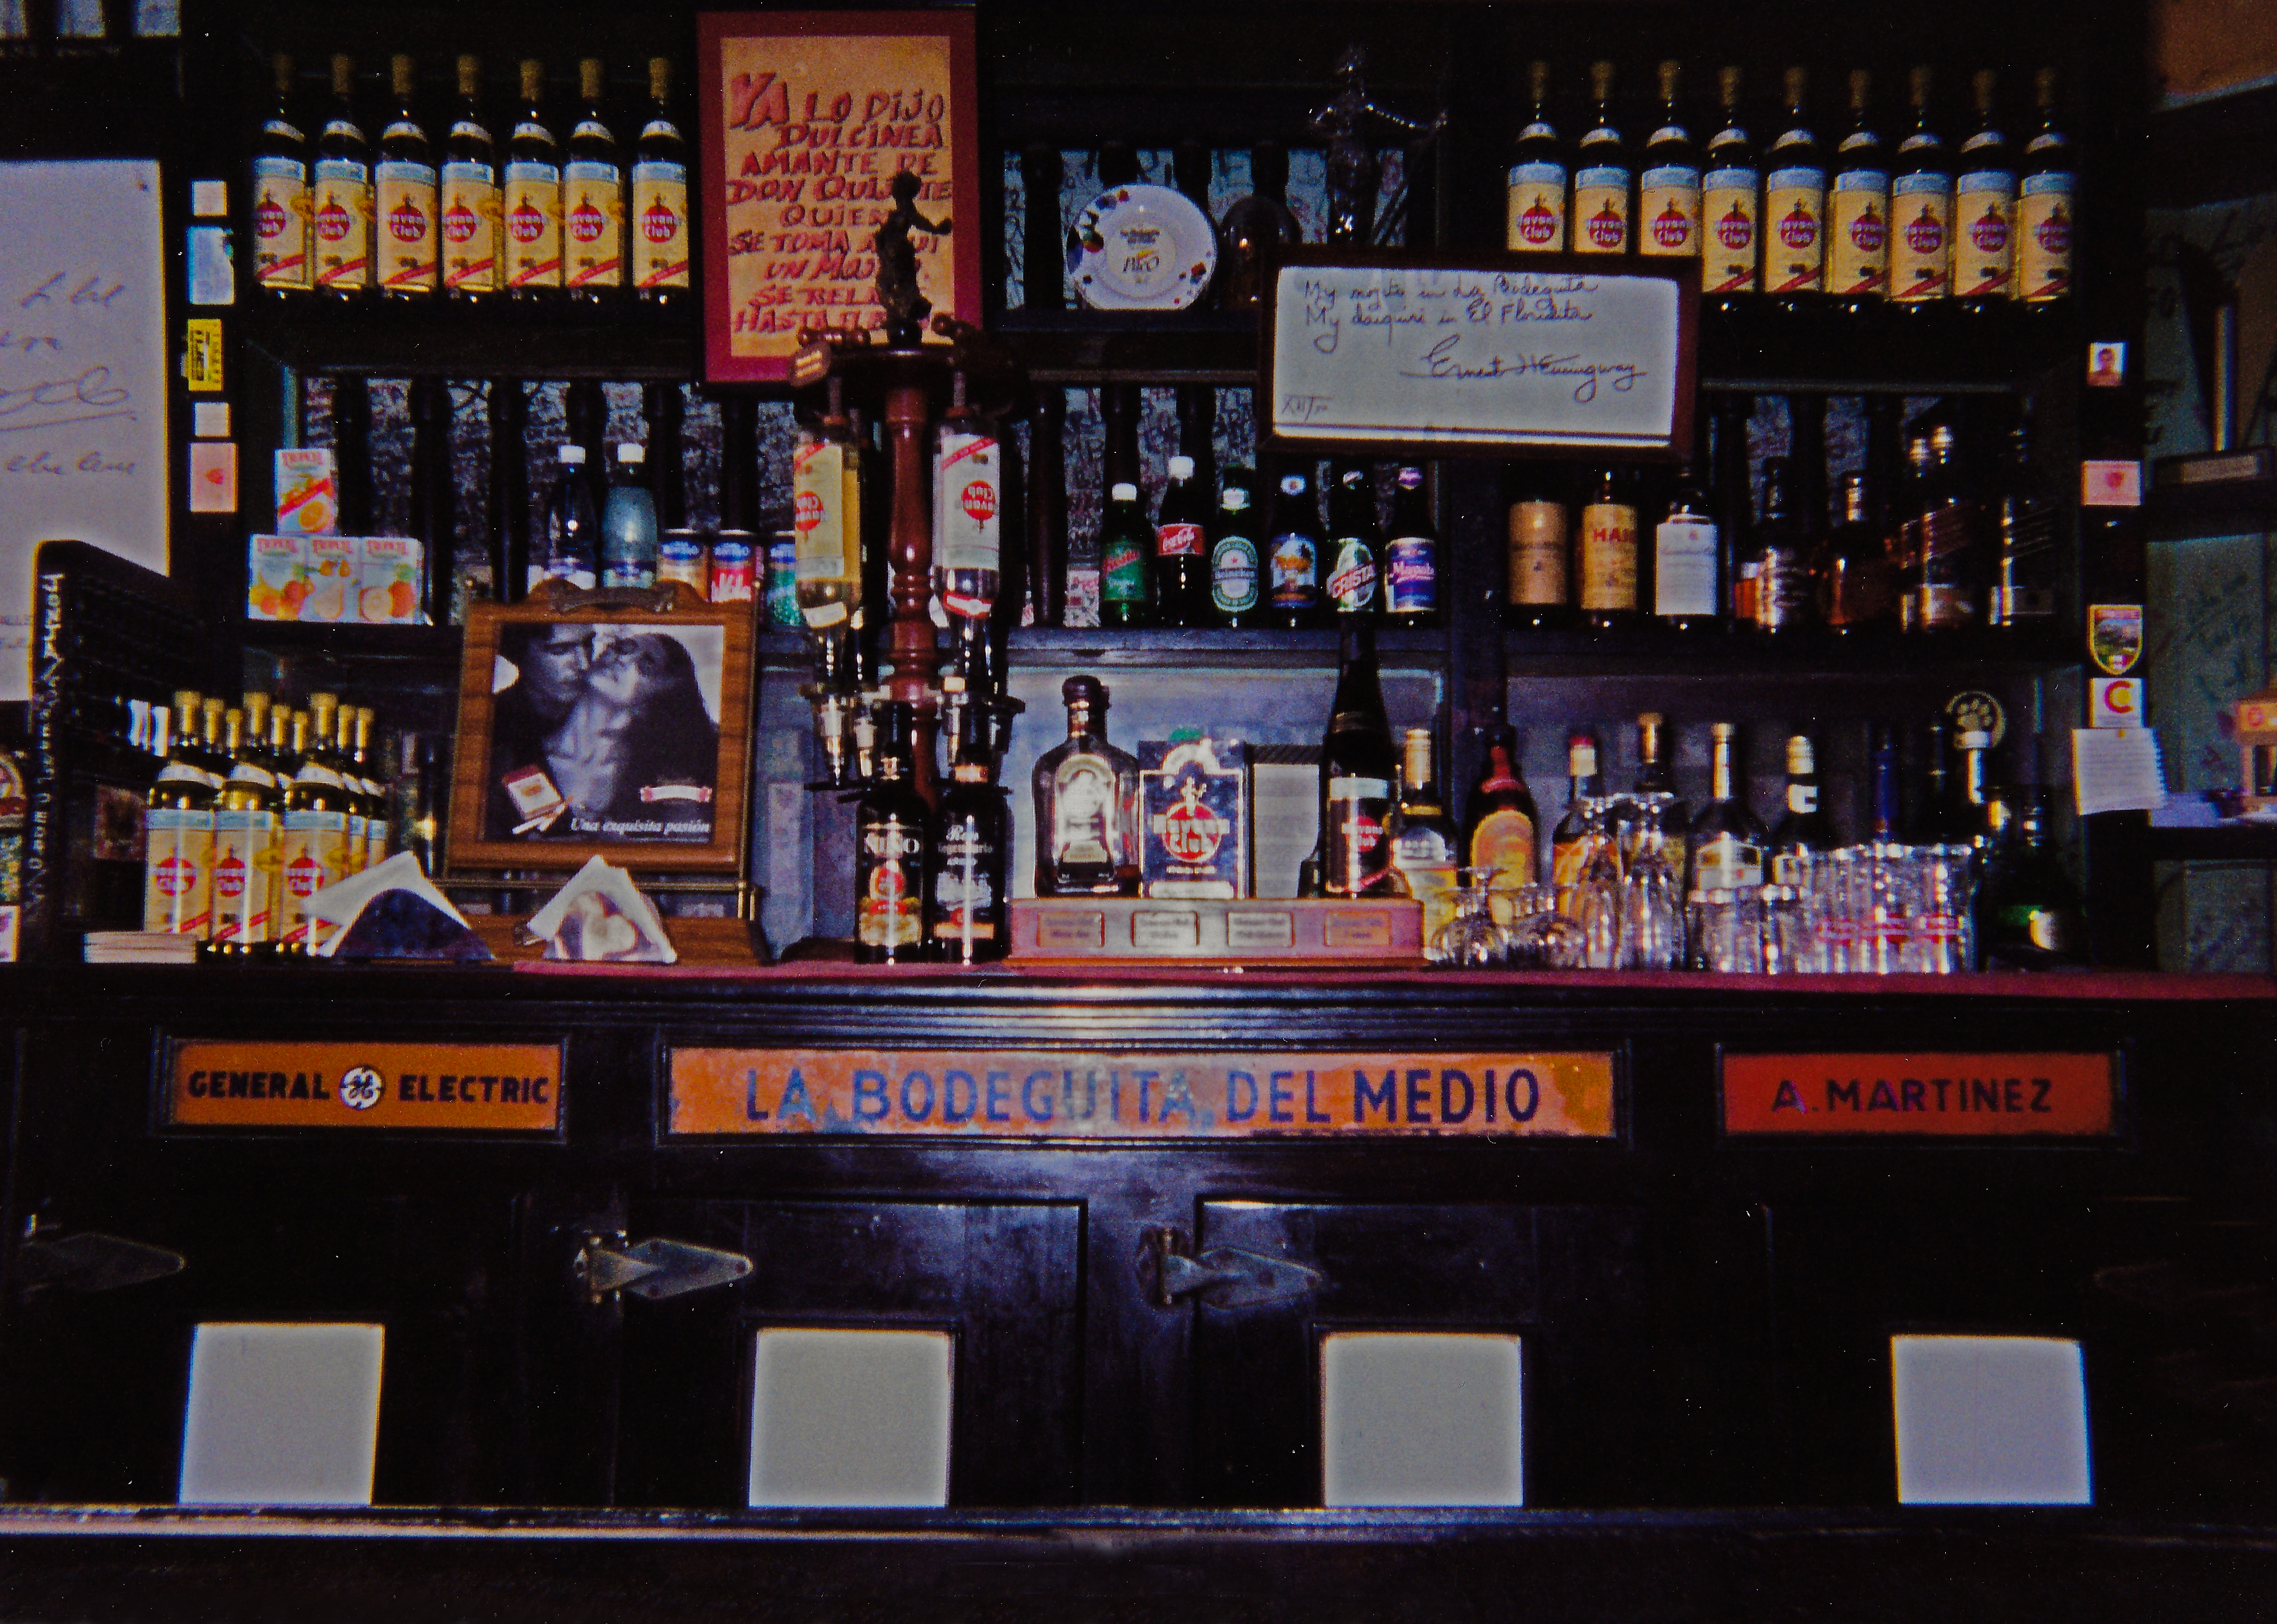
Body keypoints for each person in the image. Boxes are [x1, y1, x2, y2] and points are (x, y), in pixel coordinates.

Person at [550, 630, 720, 833]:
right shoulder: (521, 747)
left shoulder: (655, 777)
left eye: (647, 666)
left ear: (659, 696)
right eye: (624, 648)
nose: (624, 660)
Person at [486, 623, 592, 837]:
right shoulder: (498, 728)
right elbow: (546, 829)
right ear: (520, 656)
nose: (583, 664)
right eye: (560, 651)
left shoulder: (604, 707)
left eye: (589, 645)